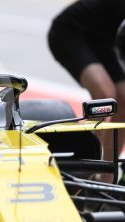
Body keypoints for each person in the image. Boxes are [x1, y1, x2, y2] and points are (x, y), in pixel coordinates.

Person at [48, 0, 125, 182]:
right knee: (105, 97)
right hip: (70, 32)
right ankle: (85, 171)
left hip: (103, 40)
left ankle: (107, 177)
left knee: (123, 101)